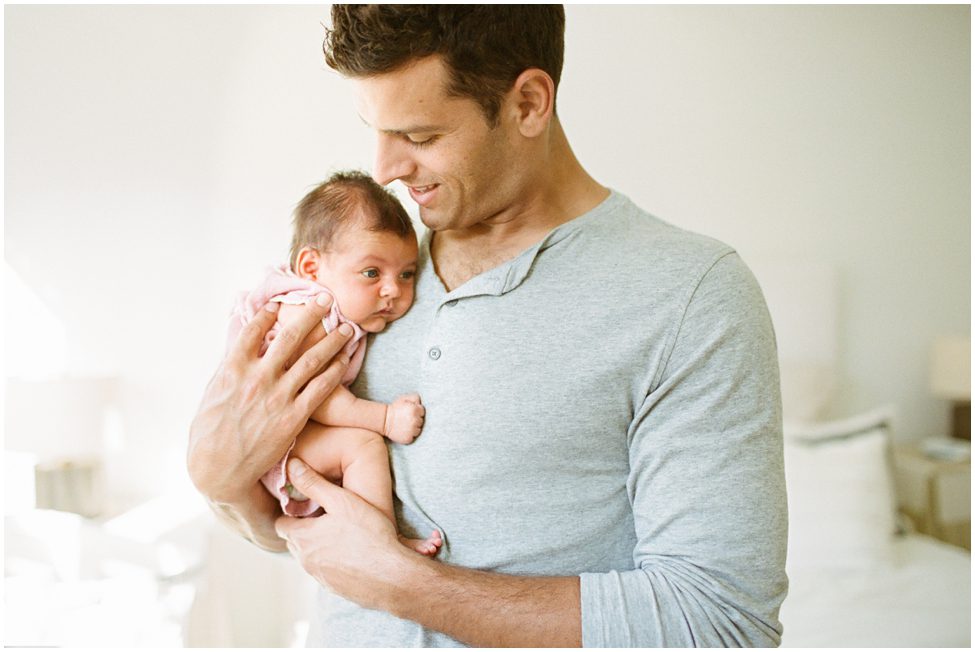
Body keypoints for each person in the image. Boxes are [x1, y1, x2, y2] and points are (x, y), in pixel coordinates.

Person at [188, 4, 788, 647]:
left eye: (419, 137)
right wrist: (218, 481)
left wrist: (405, 584)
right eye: (376, 130)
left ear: (529, 103)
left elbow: (722, 621)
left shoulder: (690, 297)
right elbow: (296, 528)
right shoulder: (367, 280)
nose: (386, 168)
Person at [227, 170, 441, 555]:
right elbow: (312, 395)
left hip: (288, 439)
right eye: (372, 273)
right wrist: (385, 419)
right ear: (312, 268)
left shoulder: (333, 309)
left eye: (407, 273)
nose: (393, 289)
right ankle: (381, 546)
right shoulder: (307, 314)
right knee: (363, 444)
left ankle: (377, 540)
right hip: (275, 446)